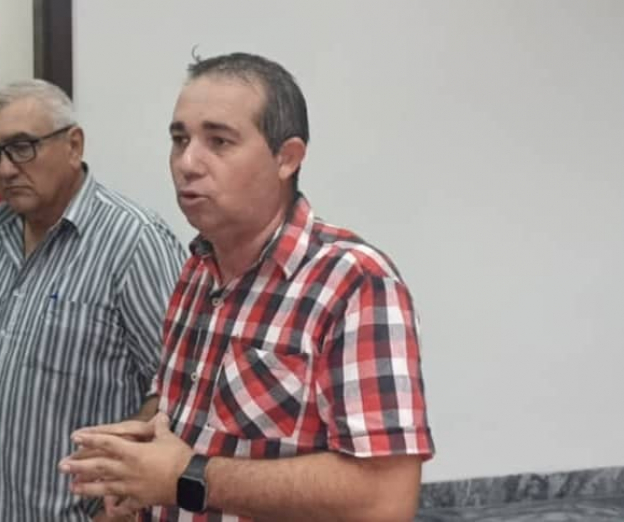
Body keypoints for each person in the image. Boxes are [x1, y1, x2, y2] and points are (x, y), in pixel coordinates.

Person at [59, 53, 435, 521]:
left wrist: (186, 476)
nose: (187, 163)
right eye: (179, 140)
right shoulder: (199, 267)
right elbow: (180, 403)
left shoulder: (353, 283)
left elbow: (385, 499)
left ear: (287, 158)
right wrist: (133, 458)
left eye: (219, 141)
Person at [0, 79, 187, 522]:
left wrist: (119, 507)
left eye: (22, 148)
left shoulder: (134, 241)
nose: (5, 169)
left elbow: (178, 391)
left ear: (73, 145)